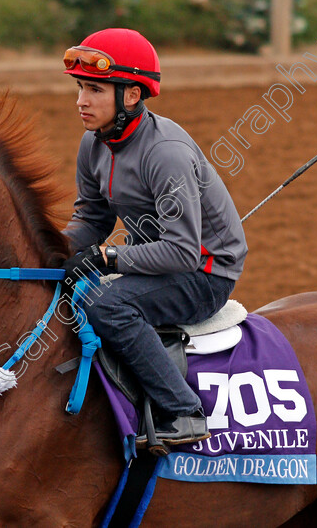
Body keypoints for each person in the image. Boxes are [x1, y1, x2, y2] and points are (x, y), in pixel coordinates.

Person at [59, 28, 248, 447]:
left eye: (94, 89)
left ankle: (183, 411)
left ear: (130, 95)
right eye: (80, 88)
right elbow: (92, 217)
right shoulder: (93, 145)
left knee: (106, 306)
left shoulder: (166, 153)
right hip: (155, 257)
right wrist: (50, 250)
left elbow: (182, 251)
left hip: (202, 273)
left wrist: (108, 258)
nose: (81, 101)